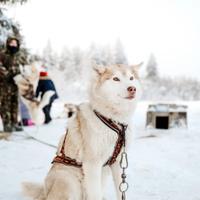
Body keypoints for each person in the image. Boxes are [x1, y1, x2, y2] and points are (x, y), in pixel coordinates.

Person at [0, 36, 26, 133]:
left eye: (15, 43)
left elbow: (23, 68)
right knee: (5, 104)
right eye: (12, 43)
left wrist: (22, 78)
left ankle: (14, 123)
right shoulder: (2, 54)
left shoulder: (19, 56)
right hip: (5, 85)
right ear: (8, 44)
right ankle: (7, 124)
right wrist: (7, 75)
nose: (13, 45)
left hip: (16, 84)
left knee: (15, 104)